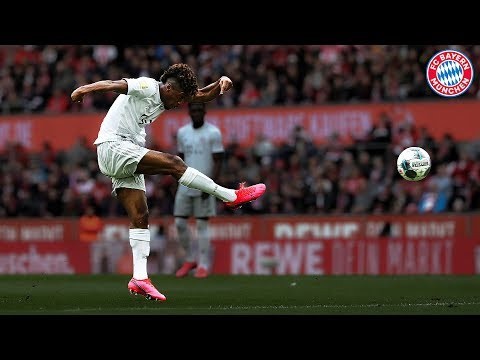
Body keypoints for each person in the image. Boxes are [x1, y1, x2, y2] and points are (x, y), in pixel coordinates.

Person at [70, 63, 266, 302]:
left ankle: (139, 278)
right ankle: (231, 197)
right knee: (175, 163)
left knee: (140, 216)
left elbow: (201, 95)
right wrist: (83, 89)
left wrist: (222, 82)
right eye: (180, 97)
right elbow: (114, 85)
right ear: (170, 88)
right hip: (114, 146)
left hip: (126, 151)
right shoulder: (147, 86)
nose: (181, 103)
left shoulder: (170, 95)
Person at [174, 102, 223, 279]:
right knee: (179, 223)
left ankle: (203, 264)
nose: (196, 113)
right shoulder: (182, 133)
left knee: (202, 224)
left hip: (204, 184)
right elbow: (179, 160)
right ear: (189, 112)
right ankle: (189, 259)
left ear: (204, 112)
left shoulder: (213, 133)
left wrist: (211, 186)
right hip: (185, 184)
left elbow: (218, 160)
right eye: (193, 110)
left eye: (198, 110)